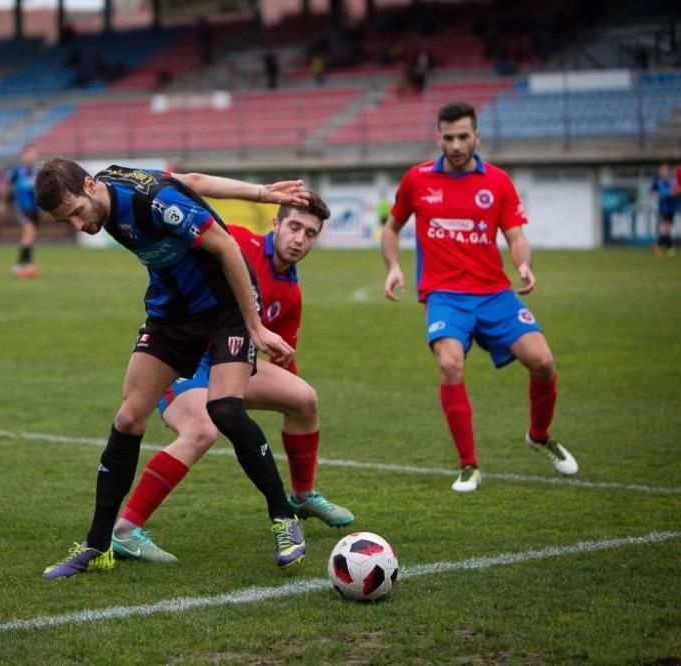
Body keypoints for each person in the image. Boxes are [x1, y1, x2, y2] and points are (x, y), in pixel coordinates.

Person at [34, 159, 309, 579]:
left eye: (75, 212)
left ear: (90, 186)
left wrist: (254, 326)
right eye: (63, 220)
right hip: (172, 313)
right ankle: (97, 545)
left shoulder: (153, 203)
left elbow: (228, 247)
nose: (76, 225)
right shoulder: (109, 186)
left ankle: (283, 518)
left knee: (225, 409)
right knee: (128, 417)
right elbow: (192, 181)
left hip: (227, 310)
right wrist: (261, 192)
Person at [110, 190, 354, 564]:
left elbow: (280, 358)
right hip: (184, 357)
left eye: (310, 233)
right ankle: (126, 530)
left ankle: (302, 496)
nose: (299, 239)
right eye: (294, 227)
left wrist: (282, 389)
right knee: (201, 431)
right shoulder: (237, 241)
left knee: (304, 399)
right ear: (275, 224)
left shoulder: (290, 292)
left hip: (232, 360)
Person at [381, 100, 578, 493]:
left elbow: (516, 237)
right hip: (444, 296)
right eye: (448, 137)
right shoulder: (417, 180)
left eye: (463, 136)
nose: (455, 145)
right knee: (451, 365)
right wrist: (394, 266)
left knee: (543, 361)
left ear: (477, 137)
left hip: (494, 293)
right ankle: (469, 465)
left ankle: (539, 436)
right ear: (438, 136)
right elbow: (392, 228)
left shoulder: (498, 182)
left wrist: (523, 265)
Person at [0, 144, 41, 278]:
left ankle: (27, 263)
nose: (31, 156)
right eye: (28, 153)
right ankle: (20, 265)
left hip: (35, 208)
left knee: (30, 236)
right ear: (23, 156)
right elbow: (6, 186)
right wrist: (1, 202)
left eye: (33, 153)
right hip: (22, 207)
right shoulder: (17, 172)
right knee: (29, 232)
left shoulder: (38, 172)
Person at [650, 162, 675, 257]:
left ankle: (669, 248)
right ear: (659, 171)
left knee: (668, 230)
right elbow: (651, 191)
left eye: (665, 169)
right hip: (663, 208)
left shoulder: (672, 180)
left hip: (672, 206)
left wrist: (674, 193)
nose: (664, 171)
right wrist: (658, 194)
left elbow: (676, 190)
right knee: (667, 229)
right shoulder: (657, 181)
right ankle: (658, 245)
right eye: (662, 169)